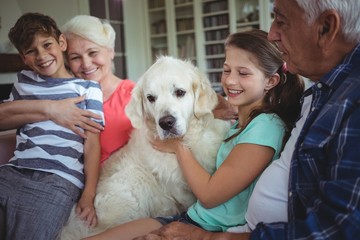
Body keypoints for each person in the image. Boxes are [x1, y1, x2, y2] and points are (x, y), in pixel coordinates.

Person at [135, 0, 360, 239]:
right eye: (226, 69)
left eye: (282, 20)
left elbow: (339, 230)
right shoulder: (318, 94)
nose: (273, 32)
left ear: (326, 27)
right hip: (201, 218)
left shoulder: (345, 104)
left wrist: (206, 237)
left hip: (213, 227)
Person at [83, 29, 304, 240]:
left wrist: (178, 147)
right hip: (190, 218)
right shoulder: (242, 122)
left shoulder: (265, 127)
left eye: (243, 73)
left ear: (271, 81)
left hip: (204, 225)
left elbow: (208, 196)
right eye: (226, 70)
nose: (230, 81)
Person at [0, 12, 105, 240]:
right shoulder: (24, 82)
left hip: (58, 179)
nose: (42, 55)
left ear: (61, 43)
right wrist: (48, 108)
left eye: (47, 45)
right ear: (23, 57)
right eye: (31, 51)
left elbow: (92, 144)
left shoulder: (88, 88)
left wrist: (88, 194)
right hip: (13, 171)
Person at [61, 15, 135, 164]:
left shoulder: (134, 94)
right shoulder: (66, 98)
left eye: (93, 53)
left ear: (111, 51)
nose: (86, 64)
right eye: (76, 57)